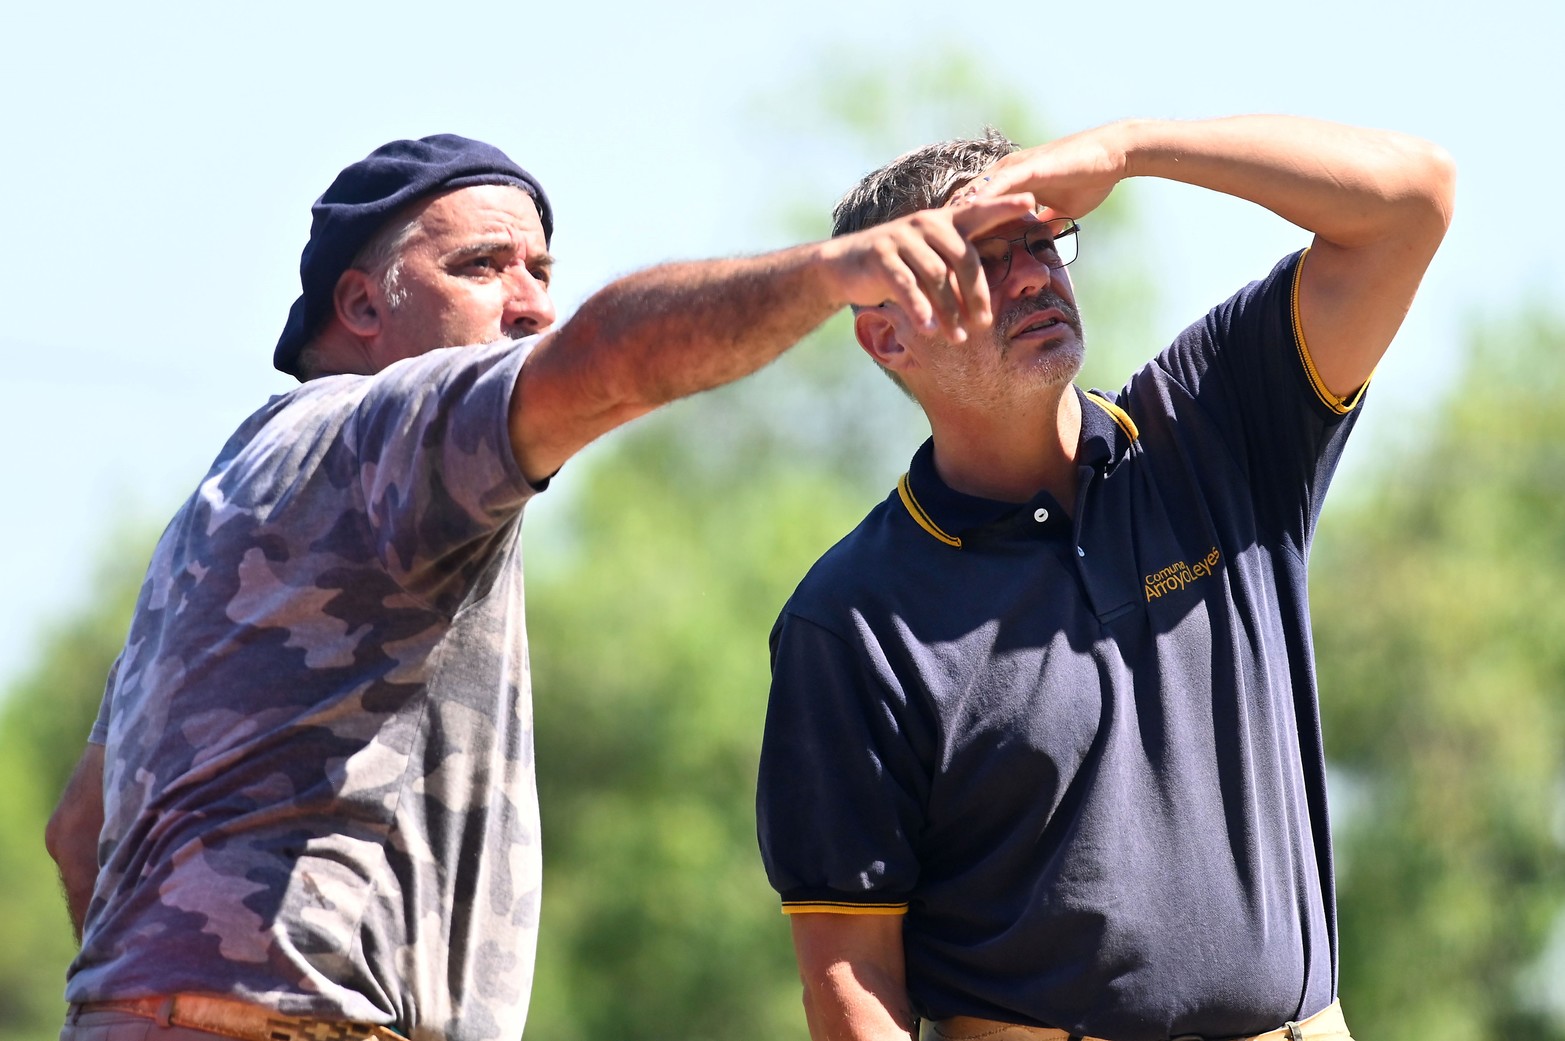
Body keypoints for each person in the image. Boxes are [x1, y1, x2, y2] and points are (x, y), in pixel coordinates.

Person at [43, 133, 1043, 1041]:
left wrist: (173, 1002)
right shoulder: (380, 434)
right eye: (480, 266)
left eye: (541, 270)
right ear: (361, 307)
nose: (530, 301)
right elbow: (609, 358)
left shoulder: (225, 504)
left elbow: (80, 832)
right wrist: (835, 271)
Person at [755, 116, 1454, 1041]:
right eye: (985, 258)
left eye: (1042, 241)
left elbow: (1412, 202)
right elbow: (851, 975)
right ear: (886, 337)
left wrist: (1131, 149)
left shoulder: (1212, 427)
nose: (1036, 274)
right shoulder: (850, 618)